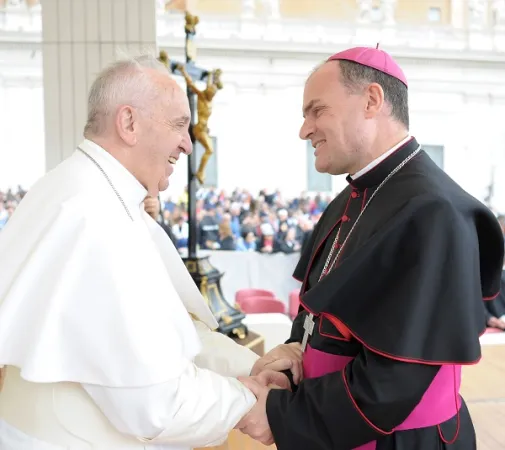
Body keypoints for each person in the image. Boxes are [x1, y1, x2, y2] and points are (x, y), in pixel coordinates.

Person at [0, 55, 296, 449]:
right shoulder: (96, 216)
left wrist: (252, 366)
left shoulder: (81, 189)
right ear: (128, 123)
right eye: (178, 125)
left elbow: (163, 331)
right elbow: (156, 402)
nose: (188, 145)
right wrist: (248, 403)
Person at [237, 46, 505, 449]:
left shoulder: (434, 213)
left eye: (317, 110)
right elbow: (323, 315)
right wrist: (296, 356)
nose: (304, 129)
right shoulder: (350, 199)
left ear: (372, 100)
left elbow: (395, 381)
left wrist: (282, 414)